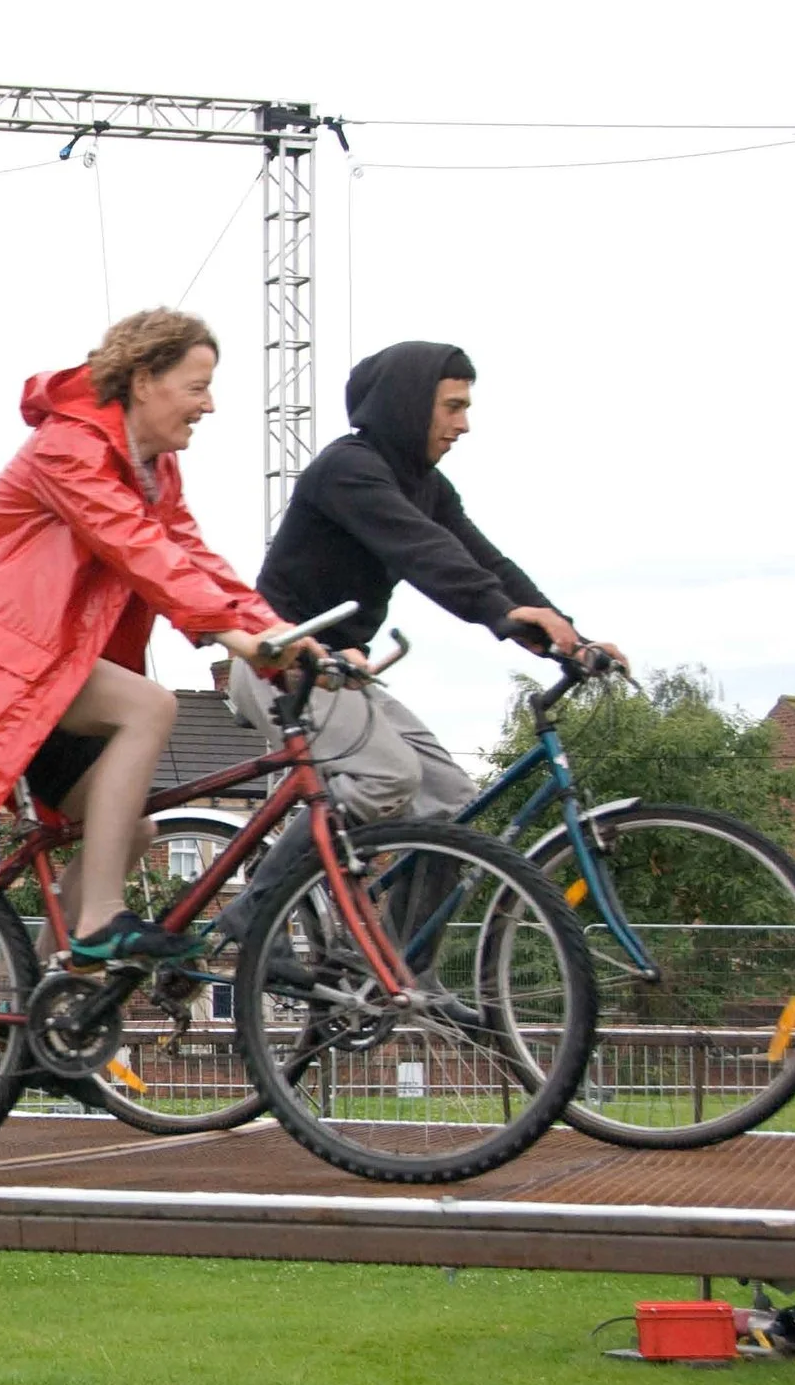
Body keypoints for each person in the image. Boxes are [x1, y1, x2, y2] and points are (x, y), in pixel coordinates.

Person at [0, 310, 319, 964]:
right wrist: (237, 638)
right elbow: (138, 547)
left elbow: (191, 555)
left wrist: (277, 631)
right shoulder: (71, 446)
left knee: (130, 833)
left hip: (38, 665)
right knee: (149, 706)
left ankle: (45, 1023)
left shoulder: (154, 467)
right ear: (145, 380)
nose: (210, 404)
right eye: (198, 385)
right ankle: (97, 922)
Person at [215, 340, 623, 940]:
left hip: (341, 673)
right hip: (283, 662)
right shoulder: (349, 470)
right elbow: (424, 554)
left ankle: (401, 974)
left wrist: (567, 636)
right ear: (410, 405)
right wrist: (503, 617)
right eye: (453, 407)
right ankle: (250, 920)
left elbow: (486, 561)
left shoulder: (427, 486)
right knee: (388, 778)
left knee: (453, 805)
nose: (465, 424)